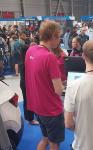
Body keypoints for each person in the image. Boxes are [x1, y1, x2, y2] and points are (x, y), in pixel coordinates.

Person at [25, 21, 65, 150]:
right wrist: (65, 85)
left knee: (45, 139)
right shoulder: (50, 57)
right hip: (51, 109)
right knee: (54, 143)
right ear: (52, 36)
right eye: (58, 37)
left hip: (37, 107)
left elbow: (37, 77)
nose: (59, 40)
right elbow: (59, 90)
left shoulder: (31, 50)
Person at [15, 31, 39, 125]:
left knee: (30, 100)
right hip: (26, 84)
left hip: (26, 83)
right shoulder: (25, 63)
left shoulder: (24, 61)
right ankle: (30, 119)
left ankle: (32, 116)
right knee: (28, 101)